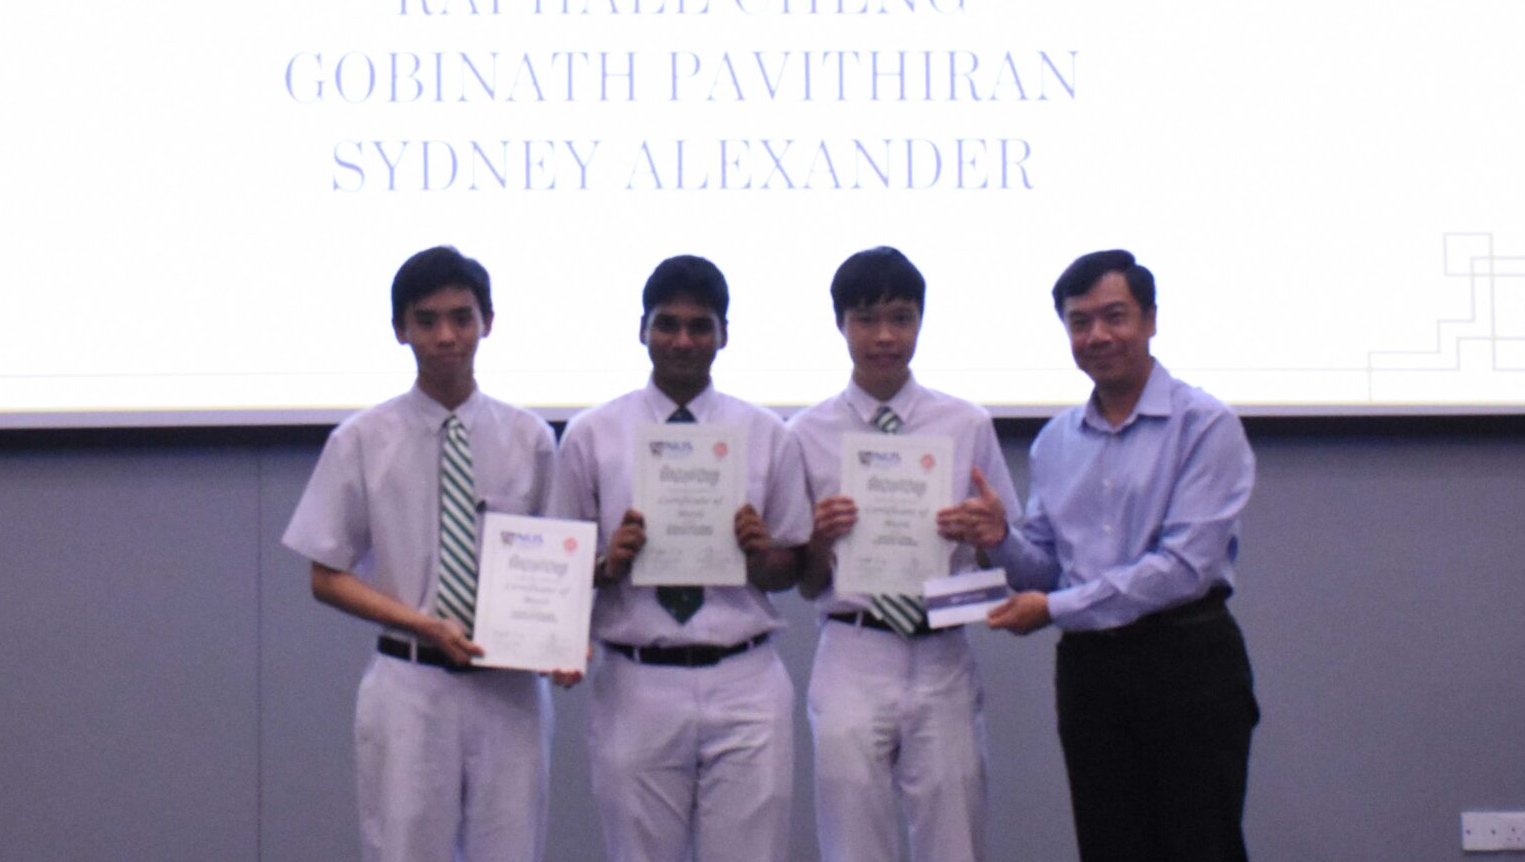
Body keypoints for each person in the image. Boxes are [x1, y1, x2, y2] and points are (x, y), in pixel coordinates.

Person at [945, 248, 1258, 862]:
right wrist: (999, 539)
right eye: (1079, 322)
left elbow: (1183, 569)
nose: (1097, 336)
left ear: (1150, 320)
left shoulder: (1205, 425)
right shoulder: (1056, 442)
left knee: (1201, 846)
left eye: (1115, 316)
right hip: (1091, 674)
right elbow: (1045, 570)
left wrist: (1054, 608)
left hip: (1187, 660)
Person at [280, 246, 562, 862]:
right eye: (426, 320)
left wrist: (562, 640)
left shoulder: (530, 439)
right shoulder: (361, 440)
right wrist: (425, 625)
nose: (446, 337)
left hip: (508, 689)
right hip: (409, 684)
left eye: (462, 318)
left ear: (488, 322)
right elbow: (325, 576)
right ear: (399, 329)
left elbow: (557, 563)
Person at [547, 254, 811, 862]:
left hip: (745, 678)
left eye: (700, 326)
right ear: (642, 329)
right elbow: (561, 568)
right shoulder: (591, 434)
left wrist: (759, 556)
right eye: (667, 324)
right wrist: (608, 564)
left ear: (724, 334)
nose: (683, 340)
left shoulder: (768, 434)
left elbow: (792, 569)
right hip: (637, 679)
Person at [789, 246, 1020, 862]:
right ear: (840, 324)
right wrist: (819, 539)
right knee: (852, 842)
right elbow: (806, 583)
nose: (885, 336)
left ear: (921, 320)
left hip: (942, 648)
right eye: (866, 319)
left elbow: (1007, 564)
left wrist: (990, 534)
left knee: (956, 840)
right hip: (852, 647)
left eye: (901, 318)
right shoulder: (805, 433)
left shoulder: (966, 424)